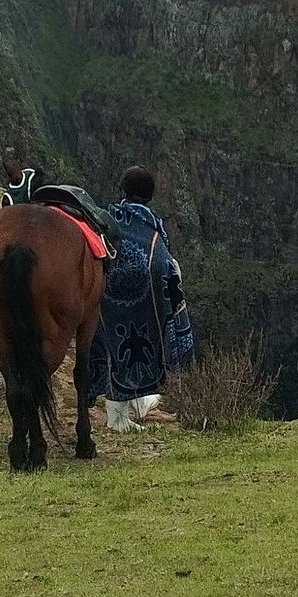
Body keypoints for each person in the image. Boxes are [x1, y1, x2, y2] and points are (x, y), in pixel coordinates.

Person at [97, 166, 193, 430]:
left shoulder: (107, 219)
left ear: (123, 190)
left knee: (112, 347)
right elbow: (165, 266)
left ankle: (119, 413)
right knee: (142, 346)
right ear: (150, 195)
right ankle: (122, 415)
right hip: (145, 301)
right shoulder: (153, 228)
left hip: (108, 297)